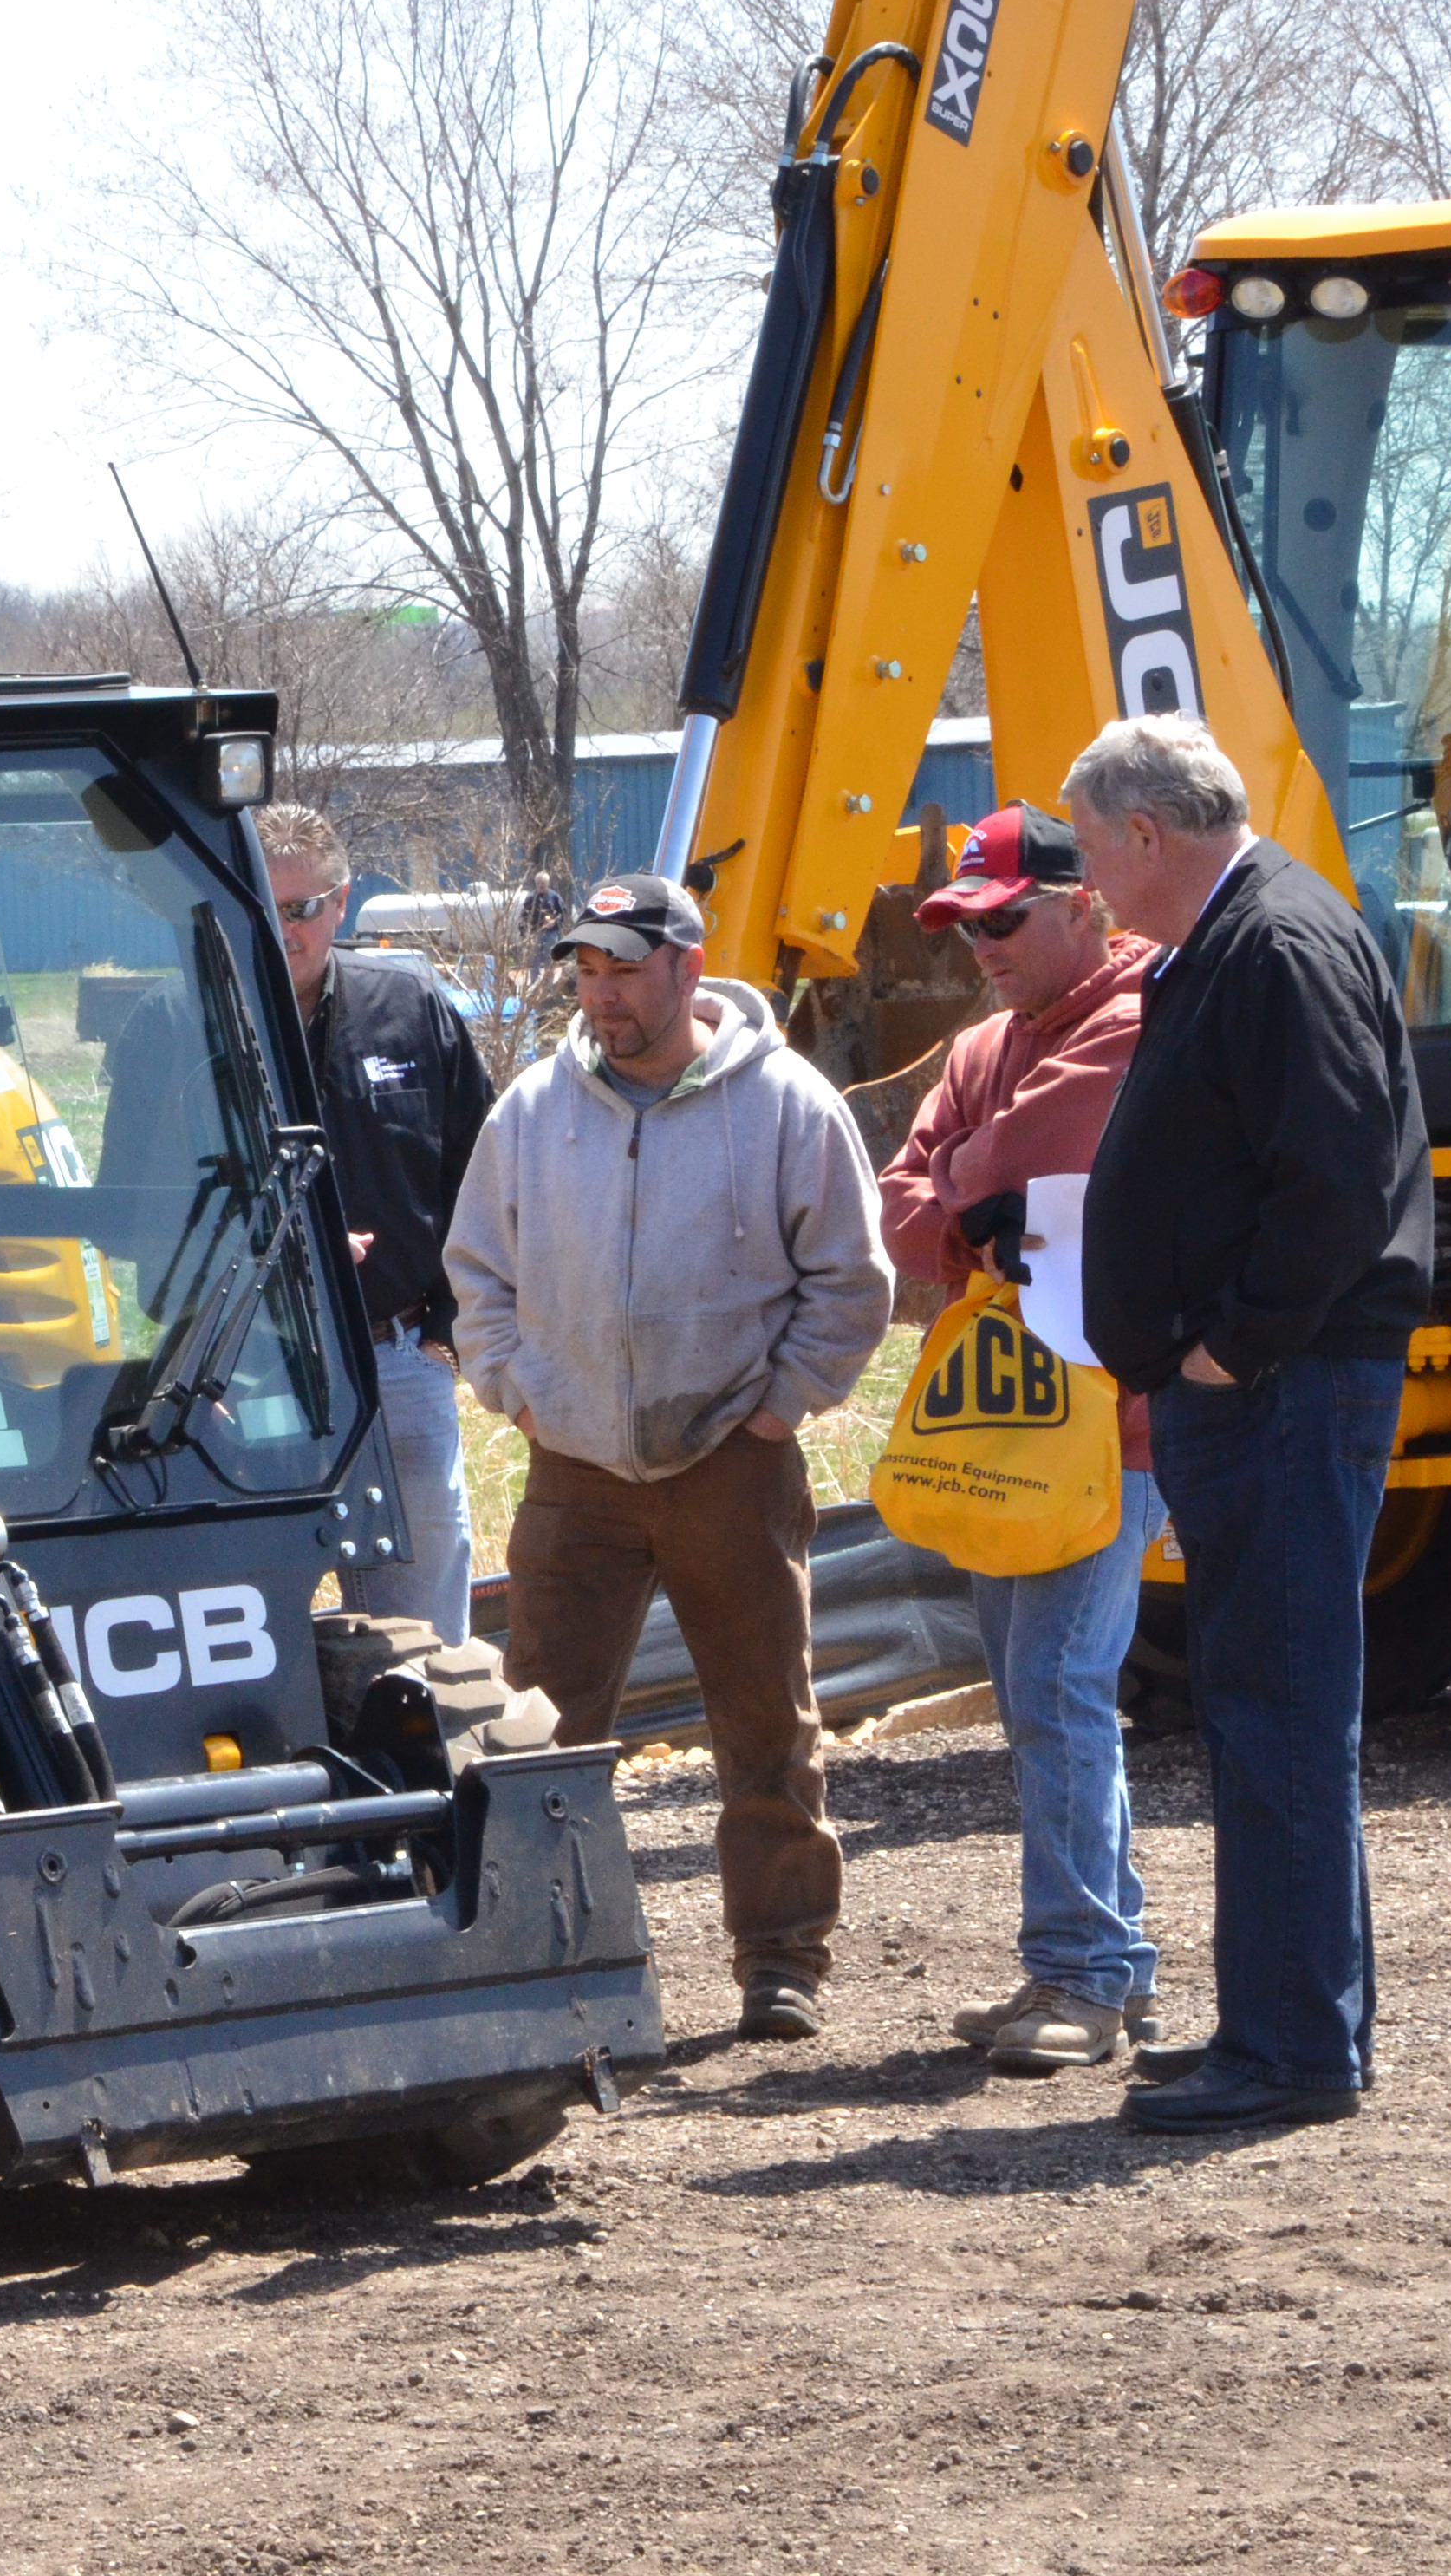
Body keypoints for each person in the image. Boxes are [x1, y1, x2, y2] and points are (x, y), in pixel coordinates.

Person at [445, 873, 893, 2039]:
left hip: (732, 1464)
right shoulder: (535, 1109)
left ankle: (783, 1961)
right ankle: (544, 1969)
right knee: (539, 1727)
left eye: (624, 970)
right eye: (585, 973)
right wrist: (519, 1390)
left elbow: (852, 1282)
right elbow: (477, 1274)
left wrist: (779, 1410)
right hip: (576, 1469)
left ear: (689, 970)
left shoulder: (790, 1105)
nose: (601, 996)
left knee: (764, 1722)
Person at [1064, 715, 1432, 2136]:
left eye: (1093, 853)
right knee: (1268, 1707)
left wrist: (1224, 1347)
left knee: (1275, 1711)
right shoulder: (1241, 937)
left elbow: (1332, 1185)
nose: (1090, 884)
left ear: (1145, 833)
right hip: (1263, 1392)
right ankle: (1295, 2023)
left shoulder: (1270, 944)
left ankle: (1289, 2049)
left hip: (1278, 1393)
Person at [876, 805, 1164, 2074]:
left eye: (1002, 920)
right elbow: (903, 1208)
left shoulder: (1139, 1008)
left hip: (1121, 1425)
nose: (979, 944)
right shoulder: (986, 1041)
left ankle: (1084, 1976)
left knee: (1055, 1688)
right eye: (961, 924)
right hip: (1006, 1421)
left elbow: (1035, 1149)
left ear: (1082, 903)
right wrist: (973, 1207)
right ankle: (1106, 1961)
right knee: (1042, 1692)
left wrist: (976, 1188)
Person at [257, 803, 493, 1642]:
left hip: (399, 1361)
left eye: (302, 909)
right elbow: (142, 1208)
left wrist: (447, 1330)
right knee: (253, 1628)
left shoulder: (410, 1006)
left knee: (426, 1644)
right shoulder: (185, 1019)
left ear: (342, 900)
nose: (284, 929)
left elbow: (482, 1171)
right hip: (249, 1377)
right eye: (262, 901)